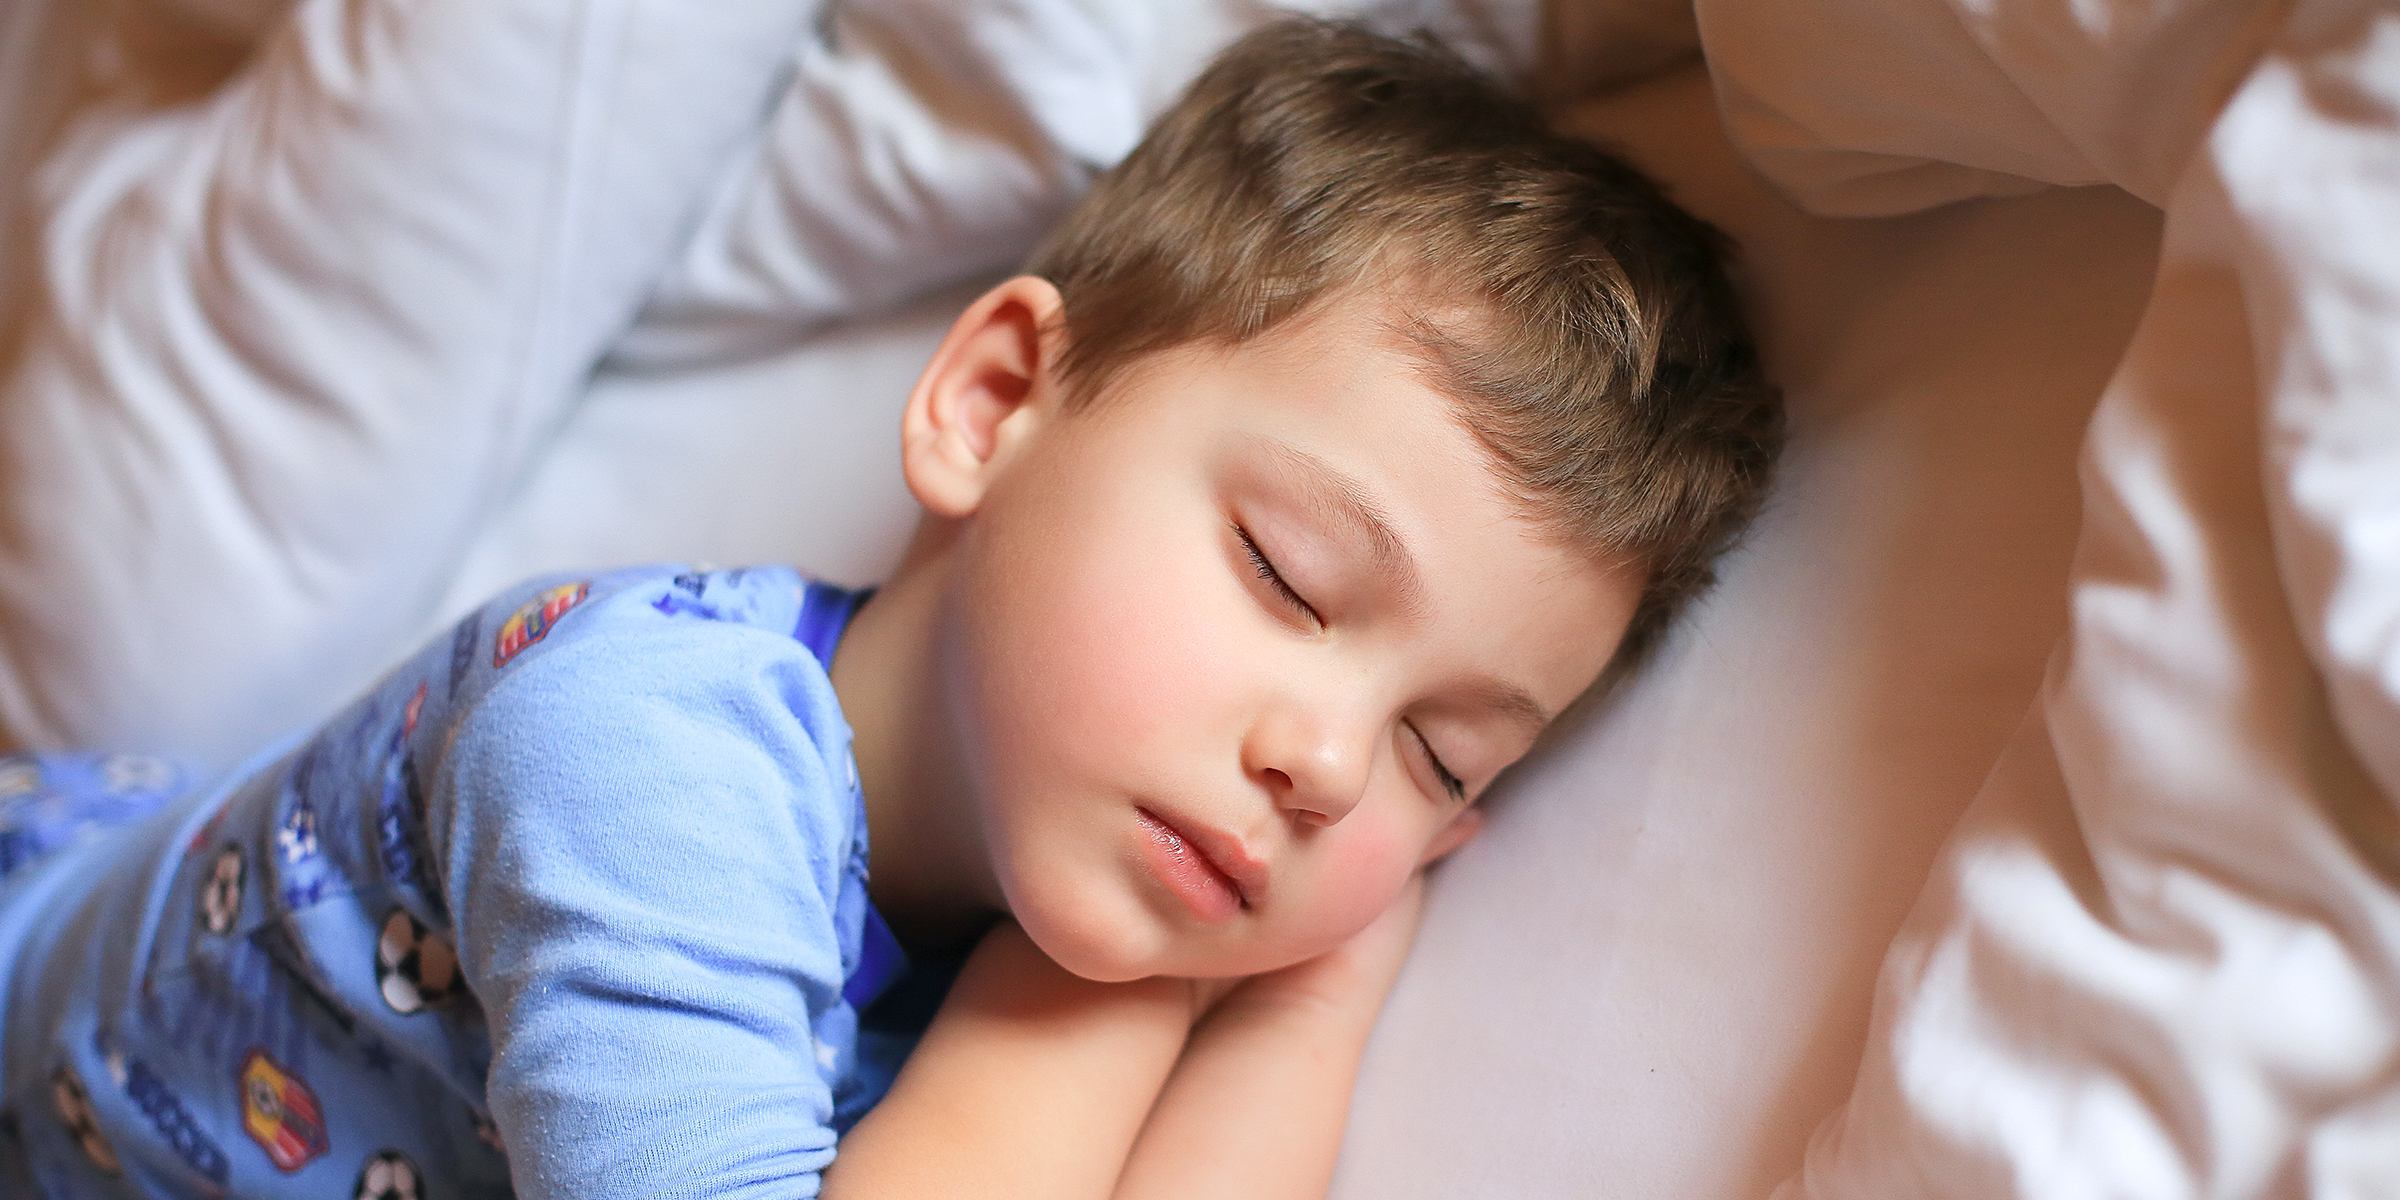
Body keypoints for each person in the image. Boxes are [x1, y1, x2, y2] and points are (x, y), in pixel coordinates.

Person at [0, 18, 1778, 1200]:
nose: (1325, 761)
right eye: (1286, 576)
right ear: (994, 402)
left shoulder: (1092, 878)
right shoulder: (634, 755)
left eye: (1445, 755)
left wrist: (1299, 983)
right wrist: (1096, 1000)